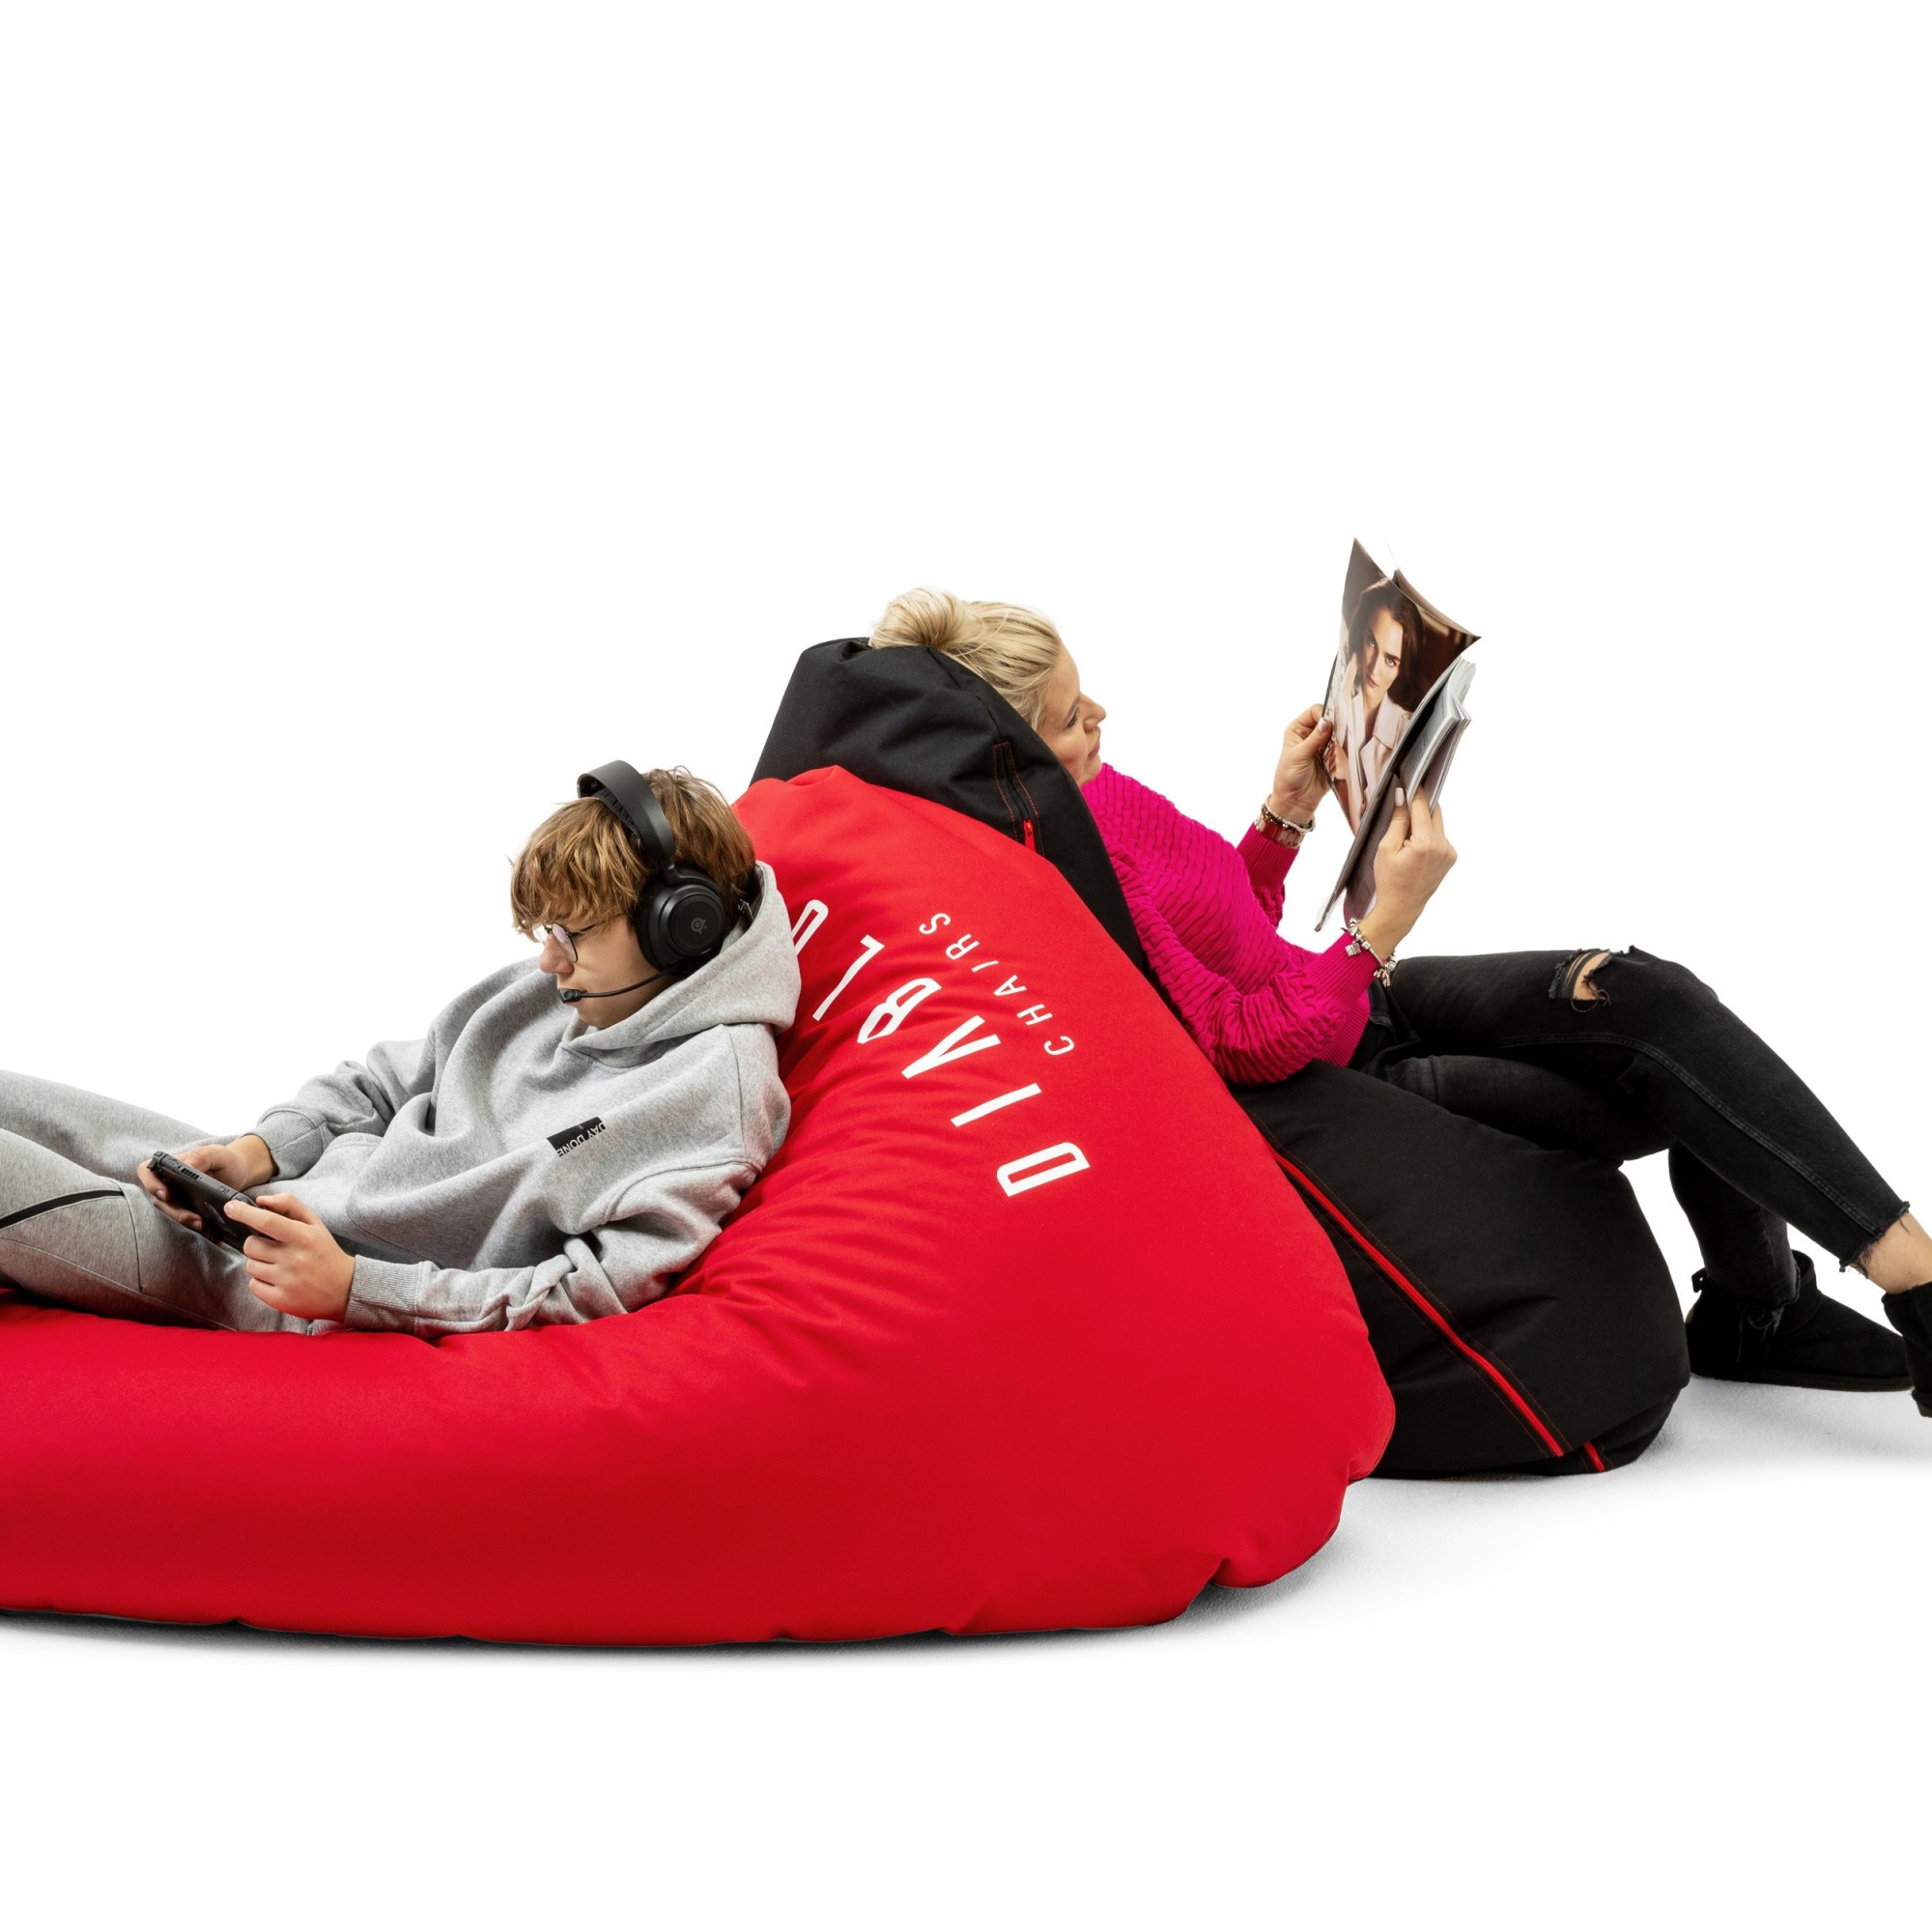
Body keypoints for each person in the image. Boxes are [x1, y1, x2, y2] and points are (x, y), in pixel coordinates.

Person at [866, 586, 1932, 1410]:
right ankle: (1870, 1294)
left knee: (1647, 995)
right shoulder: (1067, 863)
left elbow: (1223, 922)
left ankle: (1770, 1306)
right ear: (1012, 753)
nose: (1101, 716)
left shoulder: (1093, 786)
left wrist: (1281, 815)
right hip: (1346, 1078)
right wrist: (1382, 925)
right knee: (1663, 1075)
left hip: (1353, 997)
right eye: (1069, 716)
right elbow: (1233, 1040)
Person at [0, 763, 800, 1337]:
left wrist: (355, 1288)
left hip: (283, 1291)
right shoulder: (563, 987)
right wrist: (252, 1153)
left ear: (679, 927)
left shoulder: (711, 1093)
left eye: (575, 935)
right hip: (270, 1205)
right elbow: (380, 1084)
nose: (547, 962)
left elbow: (586, 1295)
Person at [1323, 580, 1417, 832]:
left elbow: (1366, 835)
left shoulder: (1407, 731)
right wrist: (1346, 684)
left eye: (1390, 660)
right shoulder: (1342, 694)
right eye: (1371, 642)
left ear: (1402, 669)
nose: (1374, 669)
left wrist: (1346, 776)